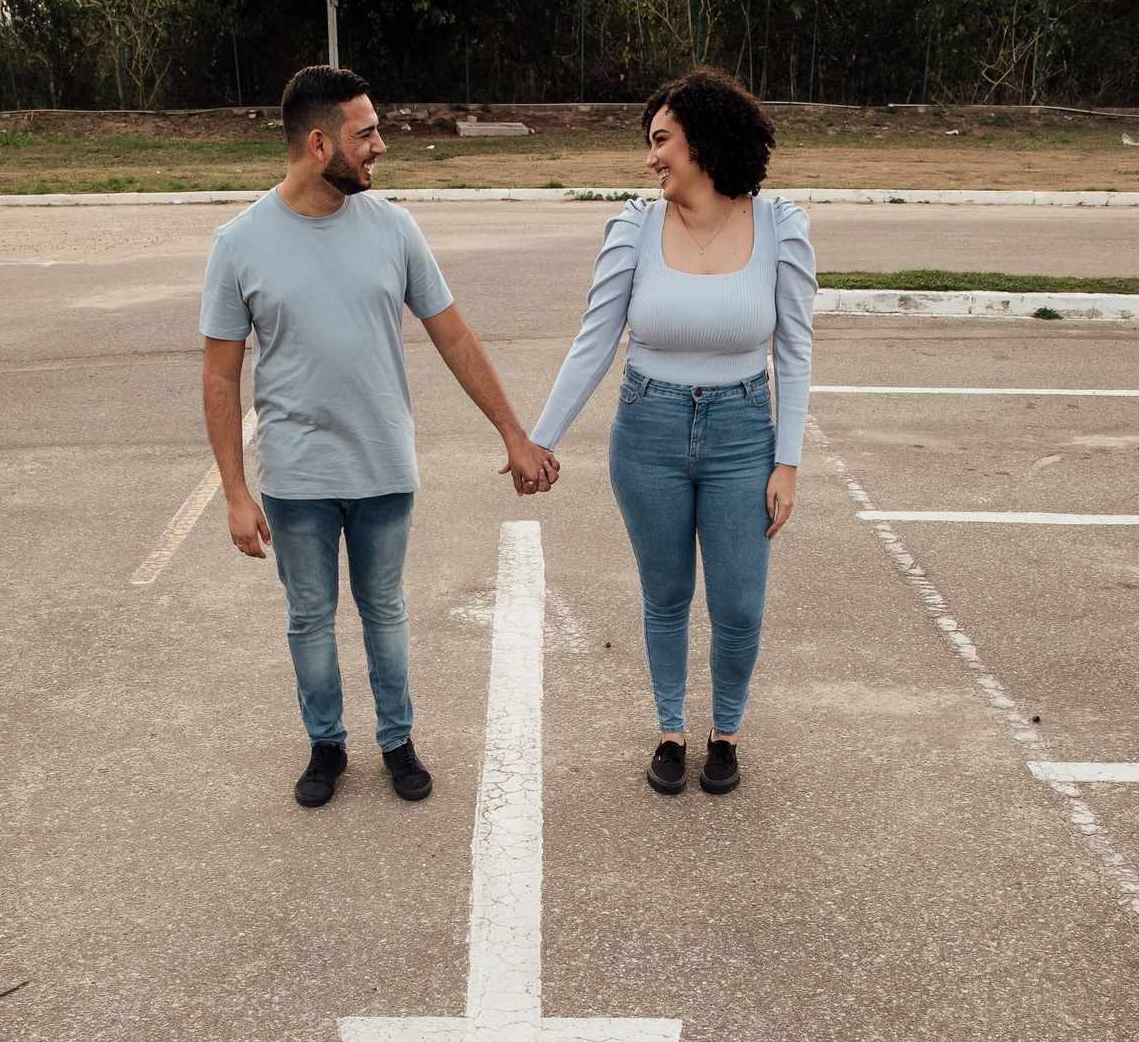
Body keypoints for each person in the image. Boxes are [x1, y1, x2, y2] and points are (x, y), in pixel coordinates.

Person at [200, 64, 558, 809]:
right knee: (309, 618)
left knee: (385, 611)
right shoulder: (239, 243)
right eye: (366, 133)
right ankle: (326, 745)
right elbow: (220, 375)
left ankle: (397, 741)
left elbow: (453, 336)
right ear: (318, 142)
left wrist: (514, 433)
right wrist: (235, 492)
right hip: (296, 476)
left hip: (383, 466)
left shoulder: (395, 228)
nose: (381, 146)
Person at [532, 67, 815, 796]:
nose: (652, 156)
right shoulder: (635, 226)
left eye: (662, 140)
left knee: (739, 604)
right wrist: (541, 438)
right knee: (665, 595)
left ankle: (725, 733)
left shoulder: (779, 225)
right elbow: (595, 341)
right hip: (648, 431)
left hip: (743, 434)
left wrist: (787, 461)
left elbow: (795, 349)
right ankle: (670, 731)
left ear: (703, 139)